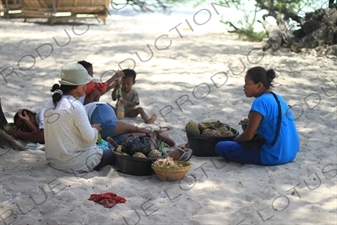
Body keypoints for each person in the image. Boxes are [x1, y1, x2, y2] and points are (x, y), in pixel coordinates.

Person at [44, 63, 191, 173]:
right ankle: (168, 156)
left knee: (115, 143)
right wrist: (94, 129)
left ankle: (152, 137)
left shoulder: (51, 102)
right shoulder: (75, 106)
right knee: (124, 155)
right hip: (74, 163)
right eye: (85, 83)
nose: (88, 85)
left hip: (54, 161)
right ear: (77, 85)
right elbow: (89, 139)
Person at [215, 66, 300, 166]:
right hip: (291, 153)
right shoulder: (278, 97)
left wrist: (235, 139)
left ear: (259, 85)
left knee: (220, 146)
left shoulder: (260, 102)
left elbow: (249, 135)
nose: (244, 87)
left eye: (247, 84)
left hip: (273, 156)